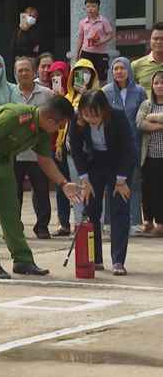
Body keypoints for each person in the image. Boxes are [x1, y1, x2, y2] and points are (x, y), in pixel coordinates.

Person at [0, 96, 81, 279]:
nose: (58, 130)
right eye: (59, 126)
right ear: (50, 119)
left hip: (3, 161)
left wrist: (63, 183)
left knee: (11, 211)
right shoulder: (16, 116)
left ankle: (22, 260)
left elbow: (45, 159)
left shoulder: (41, 130)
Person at [70, 90, 136, 276]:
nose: (91, 119)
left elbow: (128, 150)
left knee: (119, 210)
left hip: (118, 164)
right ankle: (95, 258)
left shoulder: (117, 116)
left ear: (104, 110)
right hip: (94, 164)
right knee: (91, 209)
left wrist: (121, 181)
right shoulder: (77, 120)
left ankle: (117, 261)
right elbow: (76, 150)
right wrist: (84, 179)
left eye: (95, 115)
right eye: (86, 114)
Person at [52, 58, 100, 236]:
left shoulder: (98, 95)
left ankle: (95, 224)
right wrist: (59, 144)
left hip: (94, 151)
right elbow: (62, 125)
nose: (82, 77)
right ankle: (80, 224)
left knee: (94, 188)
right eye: (78, 73)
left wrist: (86, 95)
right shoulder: (67, 97)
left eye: (86, 73)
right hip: (72, 150)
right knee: (77, 188)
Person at [102, 57, 147, 233]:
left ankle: (134, 222)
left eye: (122, 68)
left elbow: (142, 116)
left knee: (133, 184)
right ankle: (110, 222)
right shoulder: (105, 92)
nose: (119, 71)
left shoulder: (140, 92)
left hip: (133, 144)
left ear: (129, 70)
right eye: (115, 68)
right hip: (112, 146)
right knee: (111, 184)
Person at [14, 57, 55, 239]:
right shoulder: (10, 93)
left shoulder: (47, 94)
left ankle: (42, 226)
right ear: (15, 73)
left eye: (27, 70)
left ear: (34, 72)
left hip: (38, 152)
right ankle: (15, 226)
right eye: (20, 70)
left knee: (41, 191)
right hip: (15, 152)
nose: (23, 73)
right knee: (14, 194)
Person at [47, 60, 73, 235]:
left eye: (60, 75)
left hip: (70, 145)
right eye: (53, 76)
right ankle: (63, 223)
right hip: (53, 145)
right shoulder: (49, 96)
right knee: (61, 184)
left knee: (76, 182)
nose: (57, 78)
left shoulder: (73, 94)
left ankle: (82, 221)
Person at [136, 71, 163, 235]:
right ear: (152, 86)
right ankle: (148, 221)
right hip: (150, 155)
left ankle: (161, 222)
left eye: (162, 82)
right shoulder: (146, 104)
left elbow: (147, 120)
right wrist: (160, 125)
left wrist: (153, 118)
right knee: (148, 189)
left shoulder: (150, 110)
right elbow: (140, 123)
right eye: (157, 83)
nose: (160, 86)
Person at [76, 0, 114, 86]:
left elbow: (111, 34)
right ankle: (79, 96)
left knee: (102, 78)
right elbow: (80, 38)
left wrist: (102, 41)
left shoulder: (104, 21)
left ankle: (101, 97)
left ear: (98, 8)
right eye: (88, 6)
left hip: (101, 54)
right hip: (86, 52)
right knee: (80, 77)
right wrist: (77, 53)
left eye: (93, 6)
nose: (90, 9)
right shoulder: (82, 22)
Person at [132, 22, 163, 103]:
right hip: (145, 112)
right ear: (150, 40)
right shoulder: (136, 65)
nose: (159, 42)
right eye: (155, 39)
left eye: (162, 39)